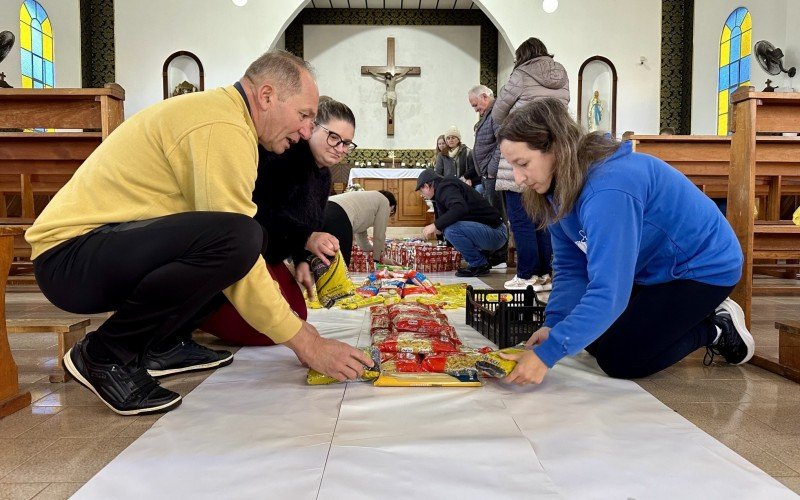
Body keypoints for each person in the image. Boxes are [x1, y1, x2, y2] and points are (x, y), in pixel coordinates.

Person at [26, 50, 373, 415]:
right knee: (241, 237)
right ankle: (105, 354)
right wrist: (308, 343)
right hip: (70, 259)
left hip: (99, 248)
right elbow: (236, 250)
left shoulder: (227, 118)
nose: (306, 131)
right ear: (267, 96)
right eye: (304, 115)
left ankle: (160, 343)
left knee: (253, 236)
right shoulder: (220, 127)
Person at [495, 98, 755, 386]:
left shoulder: (608, 188)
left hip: (702, 268)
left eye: (523, 164)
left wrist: (547, 355)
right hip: (650, 270)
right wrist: (553, 324)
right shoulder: (557, 190)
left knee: (621, 358)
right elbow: (572, 267)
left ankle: (716, 327)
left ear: (556, 149)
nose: (518, 179)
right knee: (587, 335)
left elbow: (610, 292)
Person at [200, 96, 357, 347]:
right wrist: (306, 239)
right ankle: (196, 314)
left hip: (270, 253)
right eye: (334, 137)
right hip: (242, 255)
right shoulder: (285, 157)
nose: (340, 148)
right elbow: (259, 214)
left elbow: (306, 223)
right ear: (312, 127)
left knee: (297, 313)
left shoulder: (323, 176)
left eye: (347, 143)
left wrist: (303, 259)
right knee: (271, 328)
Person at [493, 37, 567, 290]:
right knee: (544, 219)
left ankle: (526, 274)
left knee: (521, 220)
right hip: (549, 153)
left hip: (522, 145)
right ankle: (545, 273)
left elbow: (498, 111)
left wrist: (517, 121)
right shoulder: (561, 74)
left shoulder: (521, 74)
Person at [417, 169, 507, 277]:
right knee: (447, 228)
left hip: (496, 233)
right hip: (490, 231)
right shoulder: (443, 188)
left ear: (427, 186)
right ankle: (479, 260)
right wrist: (439, 227)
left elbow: (459, 208)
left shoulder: (445, 187)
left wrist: (436, 225)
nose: (422, 195)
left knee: (451, 230)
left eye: (421, 191)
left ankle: (479, 264)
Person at [322, 189, 398, 267]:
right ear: (391, 207)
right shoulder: (384, 202)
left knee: (320, 256)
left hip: (322, 207)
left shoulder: (365, 204)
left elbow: (363, 243)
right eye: (391, 211)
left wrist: (374, 254)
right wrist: (379, 258)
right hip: (338, 215)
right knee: (340, 263)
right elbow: (379, 235)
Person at [468, 85, 501, 209]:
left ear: (484, 97)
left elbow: (502, 144)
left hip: (493, 175)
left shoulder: (497, 113)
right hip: (488, 175)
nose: (475, 110)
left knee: (497, 217)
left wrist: (491, 171)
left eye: (475, 105)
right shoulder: (489, 114)